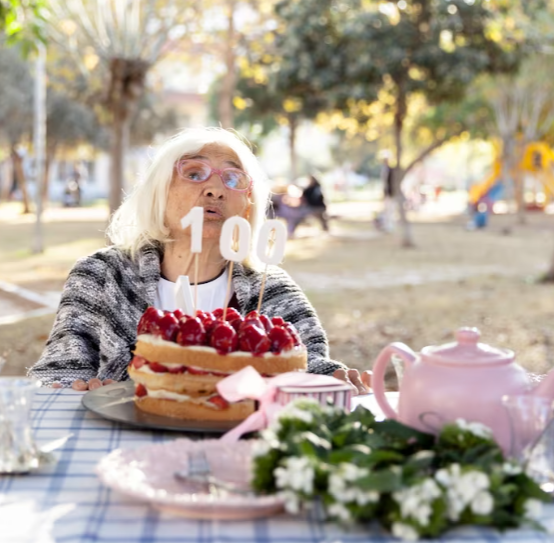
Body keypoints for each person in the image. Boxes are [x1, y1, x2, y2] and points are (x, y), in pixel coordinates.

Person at [28, 127, 370, 393]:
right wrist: (74, 386)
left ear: (246, 206)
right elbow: (60, 370)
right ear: (160, 192)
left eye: (233, 179)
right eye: (194, 173)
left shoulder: (271, 288)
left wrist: (335, 378)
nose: (215, 190)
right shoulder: (101, 275)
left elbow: (309, 366)